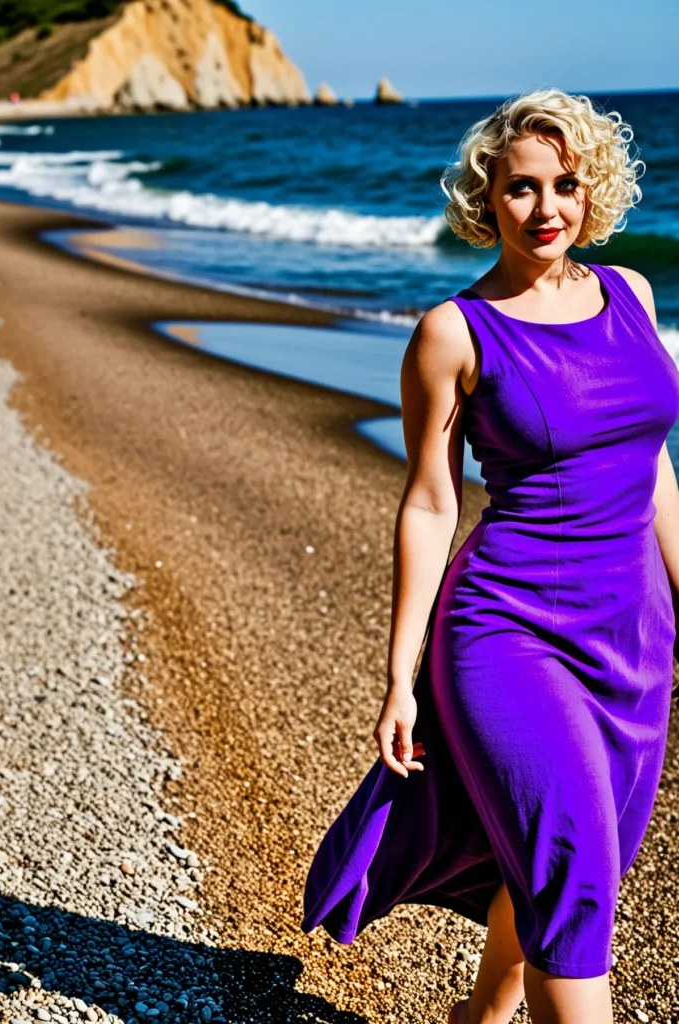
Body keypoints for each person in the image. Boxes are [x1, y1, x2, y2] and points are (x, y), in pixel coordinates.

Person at [301, 88, 679, 1023]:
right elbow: (429, 501)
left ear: (593, 192)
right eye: (520, 189)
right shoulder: (452, 333)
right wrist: (397, 677)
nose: (545, 208)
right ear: (487, 200)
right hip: (507, 632)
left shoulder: (629, 294)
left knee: (559, 881)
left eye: (565, 184)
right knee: (573, 877)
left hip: (633, 636)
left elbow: (653, 469)